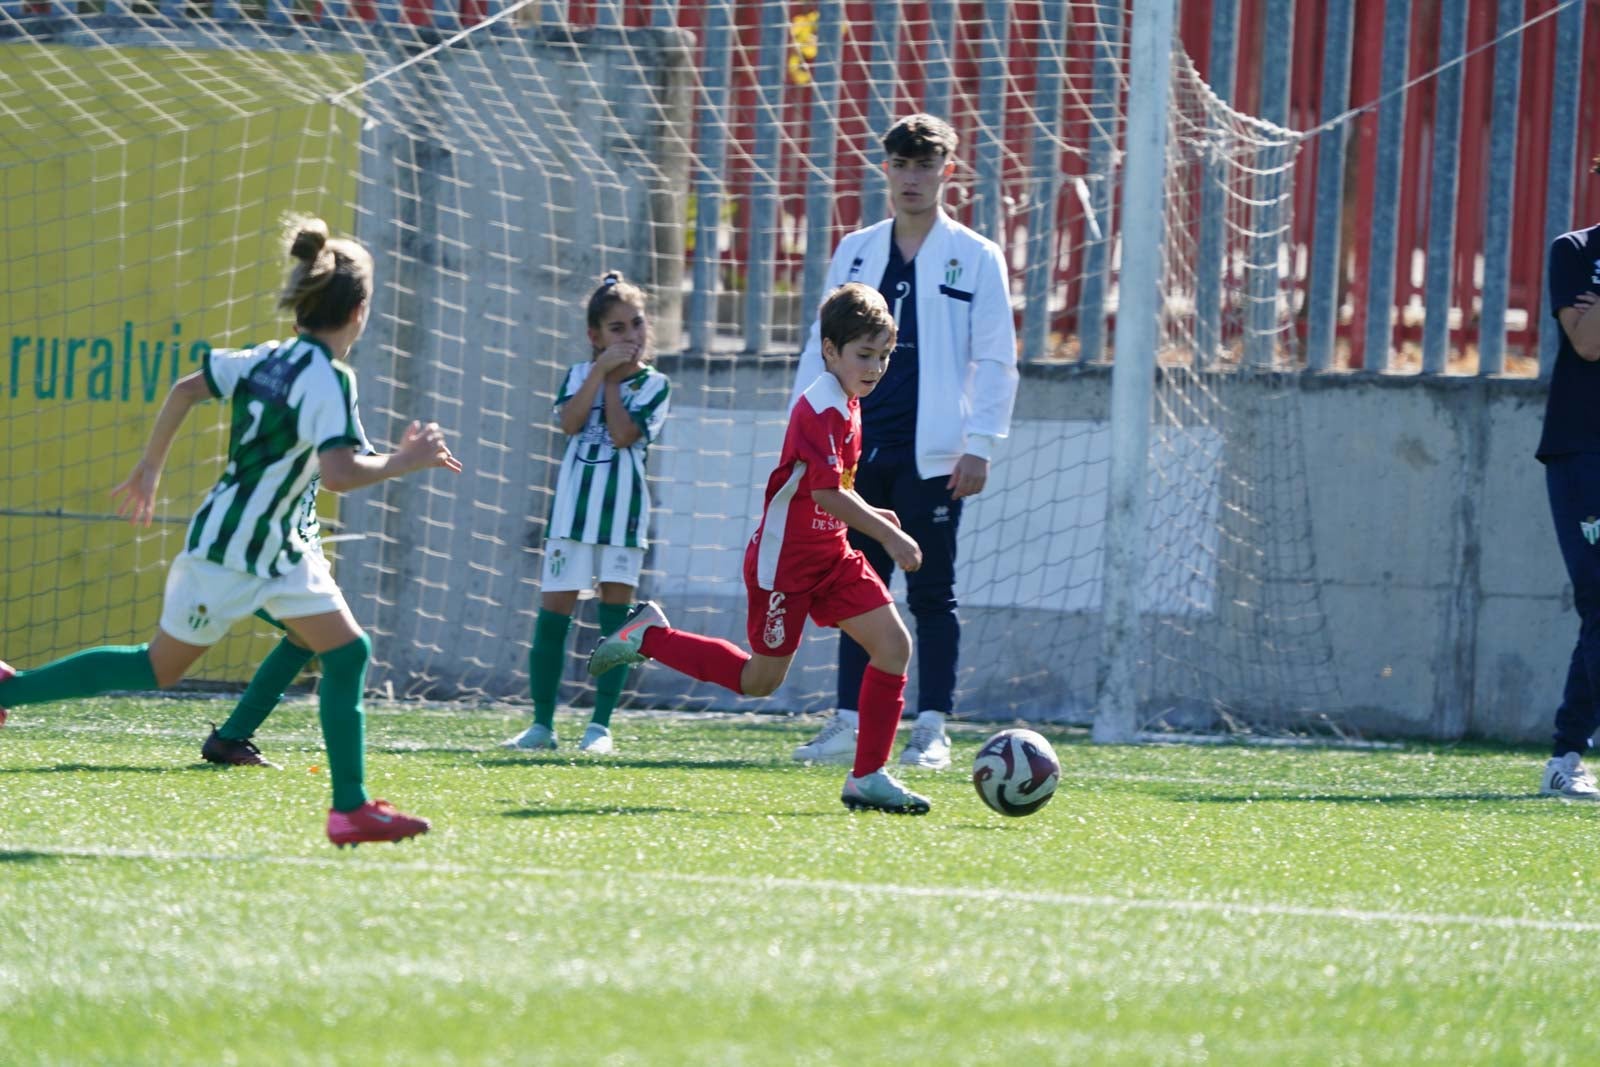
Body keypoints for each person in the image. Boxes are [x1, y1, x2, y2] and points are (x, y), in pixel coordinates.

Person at [0, 217, 462, 846]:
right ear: (358, 312)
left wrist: (149, 466)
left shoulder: (266, 358)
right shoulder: (330, 378)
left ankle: (349, 809)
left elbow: (189, 388)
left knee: (347, 652)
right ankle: (14, 691)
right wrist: (406, 461)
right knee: (157, 668)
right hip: (236, 553)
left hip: (274, 549)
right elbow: (338, 474)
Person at [585, 283, 931, 814]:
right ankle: (650, 636)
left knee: (893, 646)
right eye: (865, 355)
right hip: (784, 564)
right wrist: (886, 533)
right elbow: (822, 491)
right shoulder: (820, 407)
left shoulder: (850, 402)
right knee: (758, 680)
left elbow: (833, 486)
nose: (876, 367)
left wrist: (873, 514)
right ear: (831, 351)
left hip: (832, 555)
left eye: (883, 356)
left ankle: (868, 777)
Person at [787, 113, 1019, 771]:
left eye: (925, 164)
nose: (912, 177)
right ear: (884, 168)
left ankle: (932, 726)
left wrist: (981, 443)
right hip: (858, 456)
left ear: (948, 171)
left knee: (932, 591)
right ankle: (848, 722)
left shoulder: (975, 254)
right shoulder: (855, 250)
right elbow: (818, 348)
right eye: (901, 163)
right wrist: (804, 441)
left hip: (938, 458)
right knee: (855, 588)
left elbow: (998, 357)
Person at [501, 271, 671, 755]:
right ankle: (541, 726)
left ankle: (599, 727)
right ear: (595, 337)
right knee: (552, 616)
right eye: (617, 329)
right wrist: (598, 374)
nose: (631, 336)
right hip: (570, 519)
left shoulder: (655, 385)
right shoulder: (578, 375)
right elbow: (571, 423)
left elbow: (622, 435)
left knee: (614, 621)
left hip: (621, 521)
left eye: (636, 324)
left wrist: (614, 383)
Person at [1537, 157, 1600, 800]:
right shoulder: (1576, 250)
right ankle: (1567, 757)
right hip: (1585, 451)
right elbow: (1587, 343)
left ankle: (1566, 754)